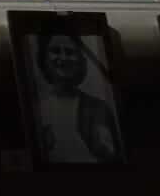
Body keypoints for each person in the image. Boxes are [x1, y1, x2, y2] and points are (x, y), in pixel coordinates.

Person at [31, 28, 123, 164]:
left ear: (80, 59)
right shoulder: (36, 108)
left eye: (70, 52)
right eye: (55, 51)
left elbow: (112, 157)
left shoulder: (98, 107)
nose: (63, 58)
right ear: (44, 57)